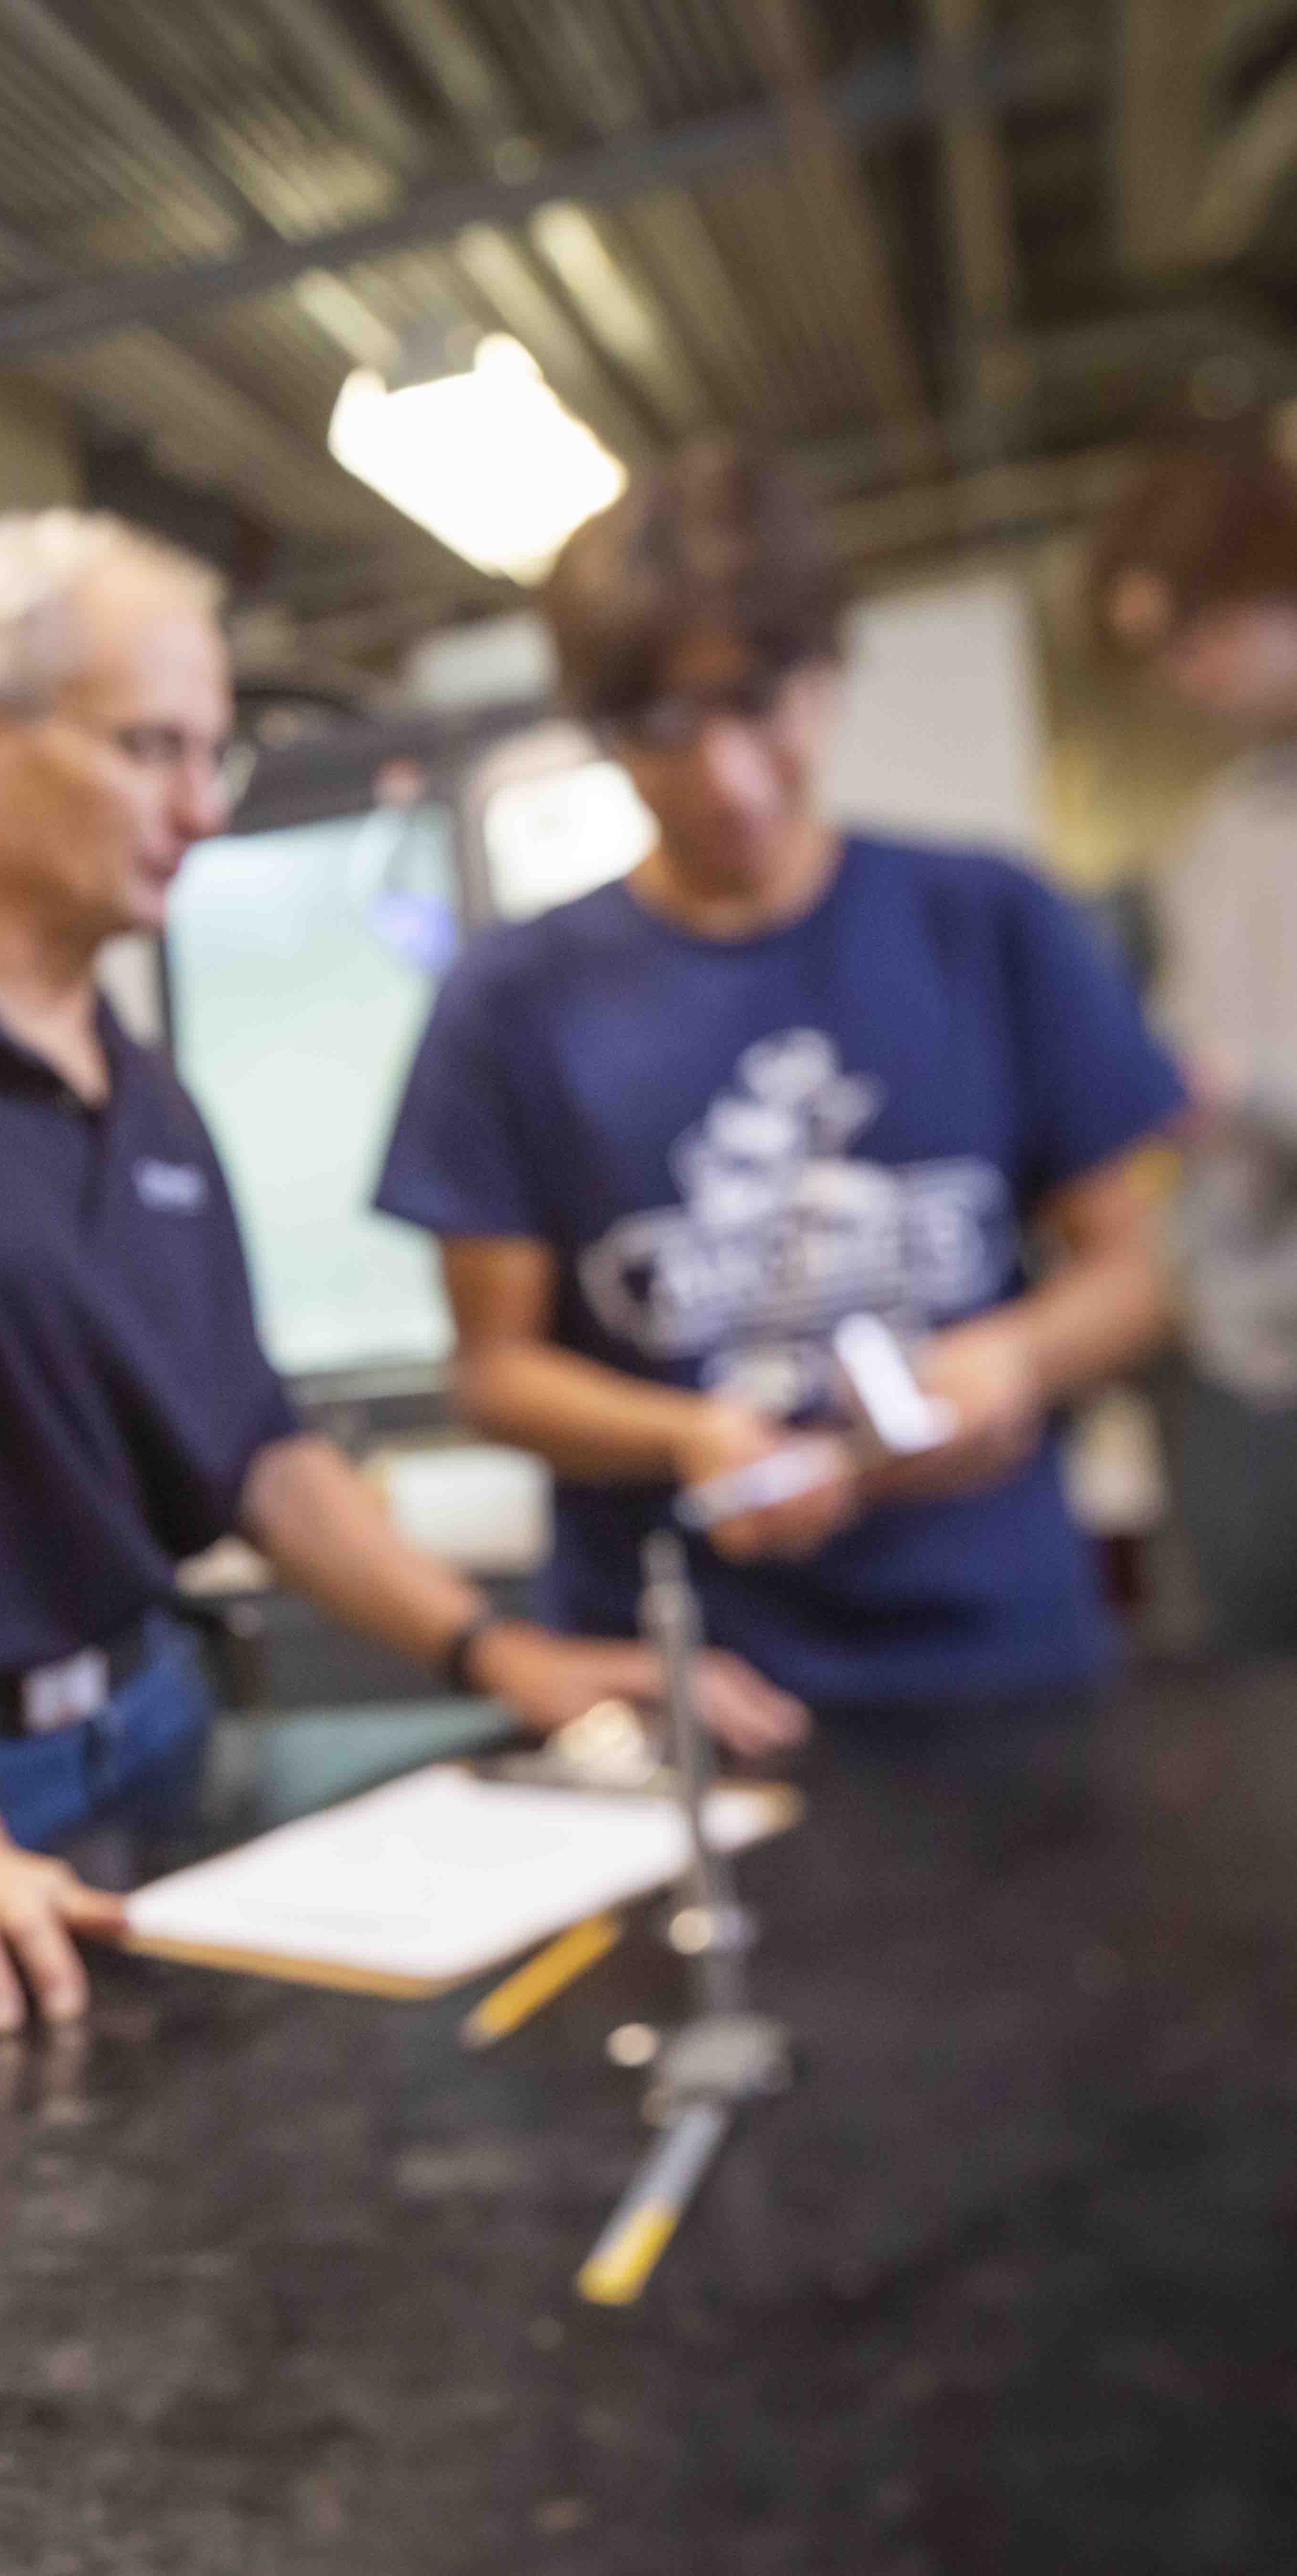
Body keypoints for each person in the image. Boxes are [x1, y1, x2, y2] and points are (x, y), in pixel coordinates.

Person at [0, 510, 805, 2051]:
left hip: (151, 1732)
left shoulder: (143, 1095)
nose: (200, 808)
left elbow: (261, 1457)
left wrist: (507, 1655)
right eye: (153, 752)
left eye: (215, 757)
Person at [375, 446, 1185, 1754]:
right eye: (660, 731)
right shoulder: (510, 1001)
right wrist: (687, 1433)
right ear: (601, 731)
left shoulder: (990, 923)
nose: (729, 779)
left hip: (1003, 1663)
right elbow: (494, 1372)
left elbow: (1140, 1274)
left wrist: (1013, 1360)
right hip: (692, 1687)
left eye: (760, 706)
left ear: (827, 670)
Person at [1089, 429, 1297, 1654]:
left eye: (1197, 636)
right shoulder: (1225, 832)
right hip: (1233, 1358)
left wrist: (1238, 1092)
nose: (1186, 678)